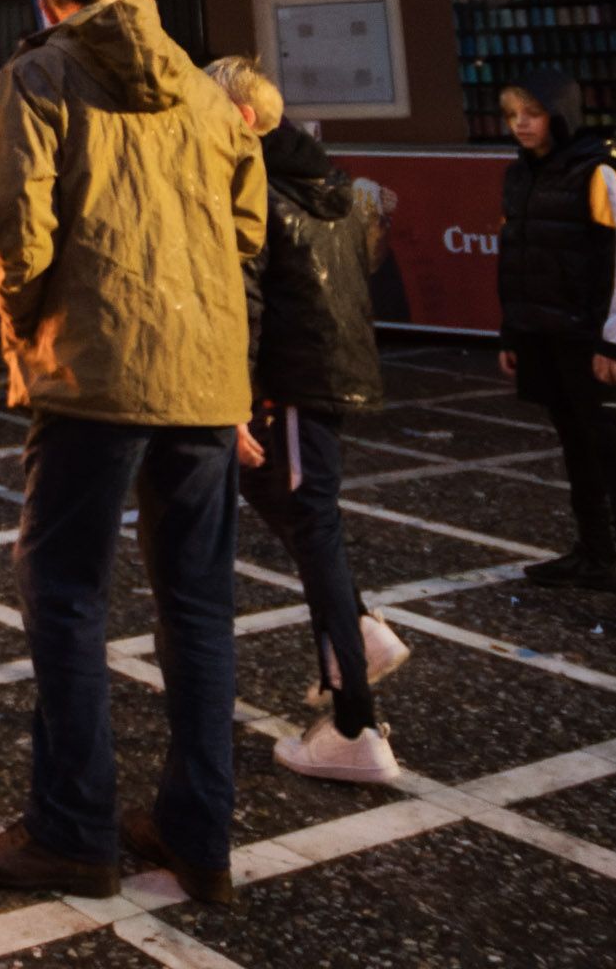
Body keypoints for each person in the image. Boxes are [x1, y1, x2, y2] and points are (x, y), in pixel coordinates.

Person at [0, 0, 263, 906]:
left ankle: (72, 830)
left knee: (67, 592)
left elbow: (14, 214)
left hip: (95, 372)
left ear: (49, 4)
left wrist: (31, 315)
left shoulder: (39, 73)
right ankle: (196, 834)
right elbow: (248, 227)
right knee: (200, 608)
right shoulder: (211, 95)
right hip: (206, 379)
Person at [207, 58, 407, 786]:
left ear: (245, 119)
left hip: (292, 379)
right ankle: (360, 632)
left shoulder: (258, 184)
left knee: (313, 521)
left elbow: (250, 297)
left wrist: (236, 394)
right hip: (331, 374)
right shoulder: (327, 179)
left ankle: (355, 724)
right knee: (282, 498)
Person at [497, 68, 616, 633]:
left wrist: (612, 341)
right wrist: (512, 333)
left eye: (531, 112)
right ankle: (594, 553)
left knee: (612, 451)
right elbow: (516, 259)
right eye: (513, 113)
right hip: (542, 334)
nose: (520, 124)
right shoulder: (520, 177)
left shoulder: (599, 173)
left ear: (558, 115)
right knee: (574, 442)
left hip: (584, 338)